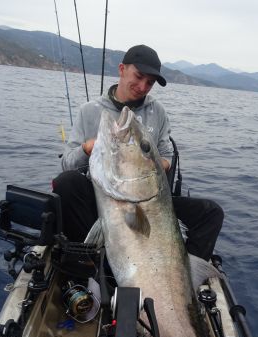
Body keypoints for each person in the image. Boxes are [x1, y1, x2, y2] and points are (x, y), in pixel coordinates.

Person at [53, 44, 223, 262]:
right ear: (122, 69)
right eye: (139, 76)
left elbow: (166, 155)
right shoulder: (90, 111)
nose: (143, 87)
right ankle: (85, 263)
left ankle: (180, 272)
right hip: (100, 198)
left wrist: (151, 165)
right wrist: (88, 148)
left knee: (211, 213)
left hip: (148, 202)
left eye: (150, 83)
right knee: (66, 183)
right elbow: (67, 163)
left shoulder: (157, 111)